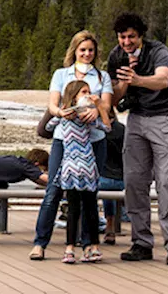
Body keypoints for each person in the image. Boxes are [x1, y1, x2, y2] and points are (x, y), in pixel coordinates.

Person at [107, 12, 168, 265]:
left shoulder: (159, 52)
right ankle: (141, 242)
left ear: (140, 36)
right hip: (136, 119)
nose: (126, 41)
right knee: (133, 182)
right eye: (122, 37)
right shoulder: (116, 56)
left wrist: (138, 78)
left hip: (166, 118)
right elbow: (115, 98)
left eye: (131, 36)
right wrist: (124, 83)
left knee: (166, 183)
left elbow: (163, 80)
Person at [31, 31, 113, 259]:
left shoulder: (102, 77)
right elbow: (53, 104)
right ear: (74, 51)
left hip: (94, 141)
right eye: (82, 50)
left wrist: (96, 109)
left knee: (89, 193)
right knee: (54, 190)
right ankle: (40, 242)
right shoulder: (61, 74)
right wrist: (62, 113)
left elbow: (106, 106)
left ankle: (88, 243)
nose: (87, 54)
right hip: (64, 140)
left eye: (90, 50)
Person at [54, 80, 110, 264]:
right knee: (76, 207)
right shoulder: (70, 114)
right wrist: (61, 112)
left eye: (89, 91)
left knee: (88, 206)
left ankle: (90, 246)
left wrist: (100, 106)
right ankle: (73, 247)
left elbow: (107, 127)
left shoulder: (86, 116)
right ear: (74, 95)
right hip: (74, 164)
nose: (88, 94)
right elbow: (48, 126)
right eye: (84, 91)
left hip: (83, 164)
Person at [98, 108, 126, 245]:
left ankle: (103, 224)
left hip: (104, 178)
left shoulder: (98, 130)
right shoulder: (123, 129)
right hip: (123, 177)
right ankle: (111, 224)